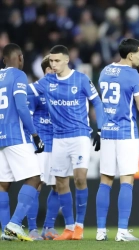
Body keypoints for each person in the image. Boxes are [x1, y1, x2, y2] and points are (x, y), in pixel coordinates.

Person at [27, 45, 106, 240]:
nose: (53, 64)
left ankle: (79, 226)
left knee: (80, 178)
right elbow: (26, 91)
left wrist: (100, 128)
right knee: (61, 182)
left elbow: (97, 102)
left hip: (79, 135)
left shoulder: (81, 79)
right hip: (58, 138)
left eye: (56, 61)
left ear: (66, 61)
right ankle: (70, 228)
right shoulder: (47, 82)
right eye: (51, 61)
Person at [95, 38, 139, 242]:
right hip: (126, 132)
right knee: (127, 180)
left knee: (105, 180)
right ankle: (122, 231)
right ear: (130, 55)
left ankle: (101, 231)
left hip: (107, 132)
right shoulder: (132, 75)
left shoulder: (105, 71)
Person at [0, 43, 44, 241]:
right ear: (19, 57)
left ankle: (5, 230)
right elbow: (21, 107)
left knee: (2, 184)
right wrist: (34, 134)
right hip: (15, 135)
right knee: (35, 178)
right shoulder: (18, 75)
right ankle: (14, 225)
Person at [26, 55, 59, 240]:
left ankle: (49, 228)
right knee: (36, 185)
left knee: (57, 186)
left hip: (58, 144)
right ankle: (32, 229)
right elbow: (28, 118)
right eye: (50, 68)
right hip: (41, 145)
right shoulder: (36, 91)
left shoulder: (61, 90)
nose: (54, 71)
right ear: (45, 70)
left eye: (56, 68)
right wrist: (34, 139)